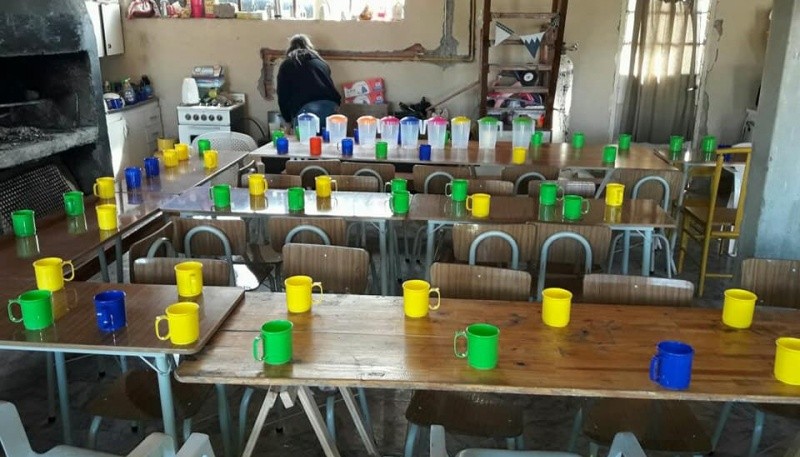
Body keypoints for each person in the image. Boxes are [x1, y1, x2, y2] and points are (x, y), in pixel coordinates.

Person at [276, 34, 341, 130]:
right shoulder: (321, 63)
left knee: (304, 143)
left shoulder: (288, 64)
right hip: (331, 106)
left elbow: (283, 95)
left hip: (306, 110)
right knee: (328, 142)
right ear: (309, 46)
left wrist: (287, 120)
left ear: (290, 48)